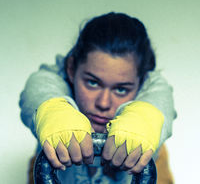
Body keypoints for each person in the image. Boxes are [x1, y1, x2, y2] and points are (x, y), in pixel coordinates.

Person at [19, 12, 176, 184]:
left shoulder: (151, 86)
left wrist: (143, 120)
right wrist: (54, 112)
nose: (103, 103)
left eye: (121, 89)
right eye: (93, 83)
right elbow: (40, 87)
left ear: (142, 83)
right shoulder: (57, 76)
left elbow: (160, 99)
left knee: (149, 150)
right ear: (71, 69)